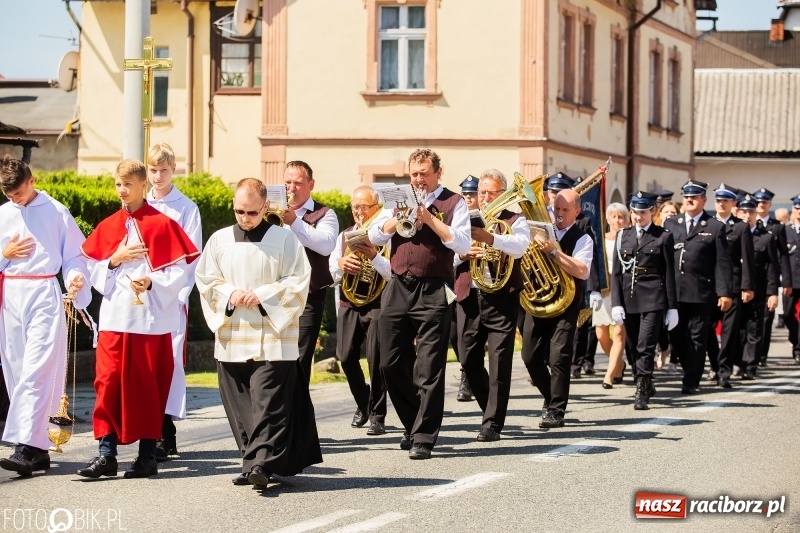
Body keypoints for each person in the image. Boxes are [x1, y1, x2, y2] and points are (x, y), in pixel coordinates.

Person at [195, 178, 321, 488]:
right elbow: (206, 280)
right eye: (239, 211)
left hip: (273, 337)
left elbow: (299, 281)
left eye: (251, 213)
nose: (245, 218)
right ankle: (252, 461)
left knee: (268, 403)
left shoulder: (285, 239)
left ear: (265, 207)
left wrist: (262, 295)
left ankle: (261, 465)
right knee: (241, 406)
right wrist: (230, 294)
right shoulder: (219, 240)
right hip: (233, 334)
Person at [78, 159, 199, 479]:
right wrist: (114, 261)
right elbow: (93, 271)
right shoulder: (108, 225)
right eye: (118, 184)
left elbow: (180, 270)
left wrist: (153, 282)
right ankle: (106, 454)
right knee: (106, 384)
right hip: (116, 318)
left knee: (147, 387)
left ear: (143, 185)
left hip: (149, 320)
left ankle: (147, 456)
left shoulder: (162, 224)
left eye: (127, 184)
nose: (121, 190)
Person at [368, 148, 470, 460]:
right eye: (414, 173)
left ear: (438, 173)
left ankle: (424, 437)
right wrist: (393, 222)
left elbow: (463, 244)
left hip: (434, 288)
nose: (418, 179)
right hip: (399, 285)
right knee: (389, 363)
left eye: (424, 173)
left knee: (429, 367)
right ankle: (413, 424)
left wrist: (429, 219)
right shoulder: (398, 198)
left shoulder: (455, 202)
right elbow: (373, 235)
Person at [0, 156, 91, 478]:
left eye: (19, 193)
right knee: (15, 369)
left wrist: (76, 278)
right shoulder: (3, 214)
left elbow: (76, 255)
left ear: (32, 181)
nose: (15, 200)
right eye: (9, 195)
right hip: (10, 296)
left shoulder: (55, 211)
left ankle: (24, 446)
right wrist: (3, 255)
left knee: (36, 370)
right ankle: (38, 449)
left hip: (41, 293)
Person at [454, 169, 530, 442]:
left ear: (504, 193)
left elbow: (520, 246)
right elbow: (446, 252)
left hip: (501, 298)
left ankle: (492, 423)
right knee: (467, 358)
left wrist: (491, 239)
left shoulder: (515, 220)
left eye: (491, 192)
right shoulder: (464, 219)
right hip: (470, 296)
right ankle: (491, 408)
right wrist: (463, 253)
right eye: (481, 192)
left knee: (499, 362)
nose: (484, 198)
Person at [146, 143, 203, 461]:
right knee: (145, 364)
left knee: (169, 363)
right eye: (153, 170)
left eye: (163, 170)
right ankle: (150, 431)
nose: (157, 176)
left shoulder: (186, 208)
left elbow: (192, 255)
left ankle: (166, 431)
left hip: (172, 295)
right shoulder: (140, 204)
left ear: (174, 169)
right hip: (142, 295)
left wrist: (177, 292)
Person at [520, 188, 593, 428]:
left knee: (559, 356)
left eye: (565, 210)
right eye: (556, 208)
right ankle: (550, 397)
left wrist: (552, 251)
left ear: (577, 211)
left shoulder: (583, 237)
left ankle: (556, 409)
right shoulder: (539, 231)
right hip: (538, 299)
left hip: (566, 304)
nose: (559, 214)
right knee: (530, 356)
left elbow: (582, 270)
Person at [329, 185, 390, 435]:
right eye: (355, 207)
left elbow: (391, 271)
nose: (359, 212)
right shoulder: (344, 235)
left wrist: (374, 256)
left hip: (377, 303)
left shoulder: (386, 237)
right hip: (349, 301)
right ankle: (363, 402)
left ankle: (377, 415)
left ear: (376, 208)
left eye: (364, 207)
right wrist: (342, 263)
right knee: (344, 356)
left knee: (376, 360)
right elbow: (332, 272)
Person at [663, 180, 733, 395]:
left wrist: (724, 292)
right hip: (674, 292)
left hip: (701, 292)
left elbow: (722, 263)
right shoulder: (670, 224)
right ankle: (688, 368)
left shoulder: (714, 227)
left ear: (704, 200)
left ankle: (691, 379)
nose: (690, 200)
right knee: (676, 336)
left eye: (694, 197)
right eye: (686, 197)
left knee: (697, 336)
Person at [611, 192, 677, 410]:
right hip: (629, 297)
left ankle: (641, 389)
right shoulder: (623, 236)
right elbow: (617, 274)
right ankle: (646, 380)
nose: (638, 217)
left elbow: (669, 273)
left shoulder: (663, 236)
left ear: (652, 212)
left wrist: (672, 307)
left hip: (653, 297)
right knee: (632, 346)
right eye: (635, 212)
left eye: (643, 212)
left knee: (645, 345)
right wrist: (616, 303)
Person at [282, 161, 339, 384]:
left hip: (308, 294)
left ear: (311, 184)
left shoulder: (325, 214)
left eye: (297, 183)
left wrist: (294, 222)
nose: (291, 188)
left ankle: (298, 415)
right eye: (287, 182)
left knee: (300, 357)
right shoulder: (270, 210)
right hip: (274, 293)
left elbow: (325, 245)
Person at [705, 184, 754, 389]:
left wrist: (747, 287)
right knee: (706, 329)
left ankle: (724, 372)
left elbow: (747, 259)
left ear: (734, 203)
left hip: (732, 287)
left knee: (729, 332)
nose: (721, 203)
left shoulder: (741, 227)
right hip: (708, 286)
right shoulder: (706, 224)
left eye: (725, 200)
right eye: (718, 200)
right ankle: (716, 365)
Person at [736, 193, 779, 379]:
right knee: (738, 330)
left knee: (754, 329)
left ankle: (750, 366)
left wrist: (772, 293)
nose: (747, 216)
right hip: (736, 290)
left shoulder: (766, 237)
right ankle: (738, 362)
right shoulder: (731, 235)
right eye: (744, 212)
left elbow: (772, 268)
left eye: (751, 212)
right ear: (738, 212)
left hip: (759, 291)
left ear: (756, 214)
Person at [753, 187, 792, 367]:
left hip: (769, 277)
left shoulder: (777, 227)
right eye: (758, 201)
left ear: (770, 204)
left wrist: (787, 281)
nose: (761, 205)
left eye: (765, 202)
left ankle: (761, 355)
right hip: (751, 277)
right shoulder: (748, 223)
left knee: (767, 318)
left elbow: (783, 254)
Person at [594, 202, 630, 389]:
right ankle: (619, 364)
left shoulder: (630, 239)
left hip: (622, 290)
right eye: (613, 217)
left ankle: (609, 375)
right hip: (604, 290)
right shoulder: (601, 239)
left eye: (621, 217)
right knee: (601, 333)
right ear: (607, 219)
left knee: (618, 332)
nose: (617, 221)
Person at [454, 175, 479, 402]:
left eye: (472, 194)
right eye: (465, 195)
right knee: (461, 338)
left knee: (475, 340)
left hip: (487, 286)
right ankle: (467, 376)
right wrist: (462, 254)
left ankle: (473, 379)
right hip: (461, 285)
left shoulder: (489, 219)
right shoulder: (457, 218)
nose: (468, 198)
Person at [782, 195, 800, 363]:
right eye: (797, 208)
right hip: (790, 281)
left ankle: (798, 349)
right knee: (787, 315)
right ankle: (796, 340)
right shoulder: (785, 230)